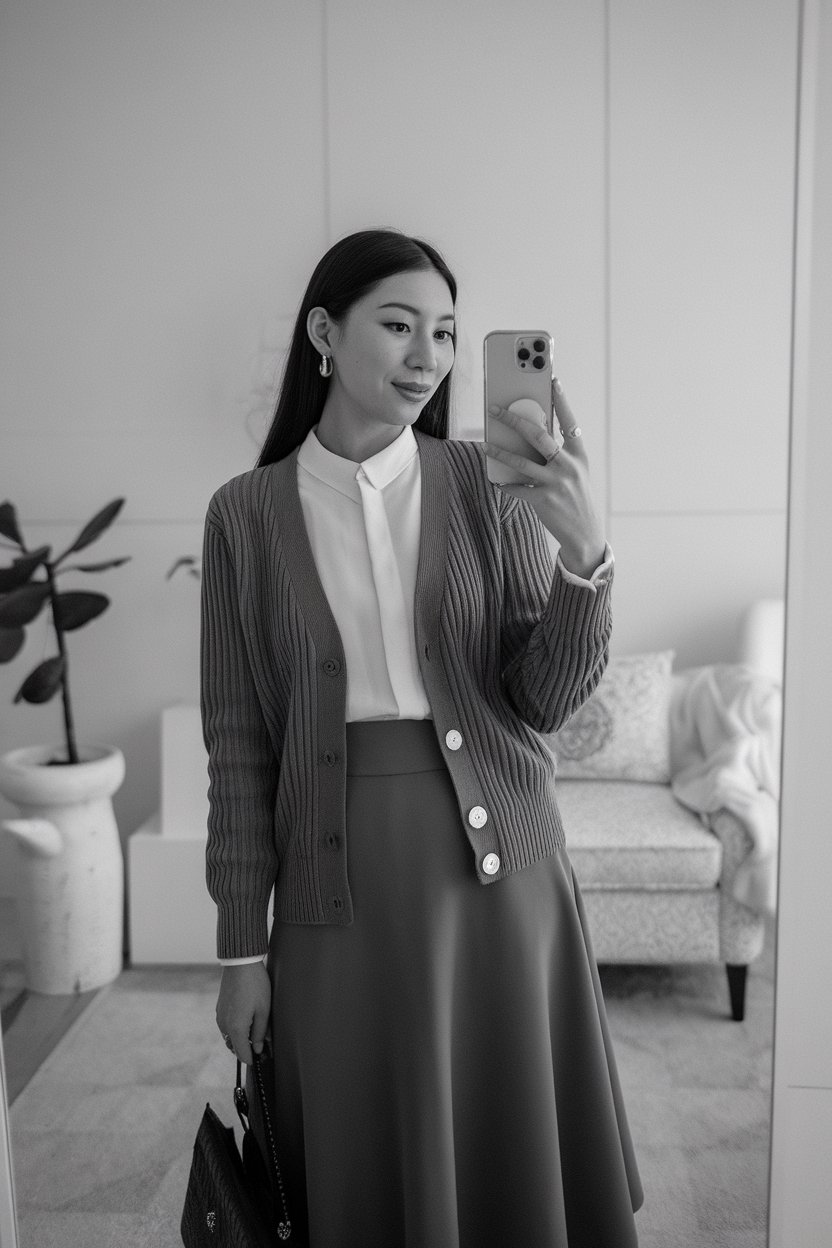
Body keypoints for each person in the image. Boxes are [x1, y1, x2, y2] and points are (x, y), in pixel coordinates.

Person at [200, 228, 643, 1247]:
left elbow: (542, 701)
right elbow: (238, 746)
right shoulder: (244, 516)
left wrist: (586, 559)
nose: (426, 357)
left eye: (444, 333)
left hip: (503, 887)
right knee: (359, 1163)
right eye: (397, 325)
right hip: (333, 887)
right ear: (324, 331)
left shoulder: (488, 485)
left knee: (511, 1170)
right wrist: (239, 949)